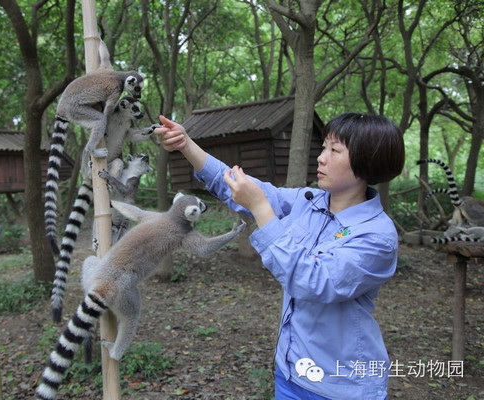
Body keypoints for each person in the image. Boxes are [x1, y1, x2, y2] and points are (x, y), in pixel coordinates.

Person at [153, 112, 405, 400]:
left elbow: (311, 281)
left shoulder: (376, 236)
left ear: (367, 160)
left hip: (342, 386)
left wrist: (261, 208)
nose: (322, 157)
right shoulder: (308, 202)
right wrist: (186, 144)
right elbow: (234, 185)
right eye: (324, 147)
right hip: (291, 373)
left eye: (335, 150)